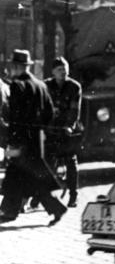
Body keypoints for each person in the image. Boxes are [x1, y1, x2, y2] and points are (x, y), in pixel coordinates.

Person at [0, 49, 66, 225]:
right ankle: (9, 210)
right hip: (36, 139)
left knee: (24, 175)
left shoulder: (17, 85)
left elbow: (15, 117)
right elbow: (50, 113)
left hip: (21, 138)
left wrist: (13, 140)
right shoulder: (40, 85)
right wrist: (39, 128)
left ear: (16, 66)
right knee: (23, 175)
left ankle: (11, 210)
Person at [44, 56, 83, 208]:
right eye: (59, 69)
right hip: (51, 129)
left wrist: (69, 125)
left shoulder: (74, 87)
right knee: (46, 162)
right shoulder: (46, 85)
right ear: (53, 72)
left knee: (70, 161)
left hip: (68, 130)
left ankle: (73, 195)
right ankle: (42, 194)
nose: (63, 72)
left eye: (65, 69)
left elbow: (75, 110)